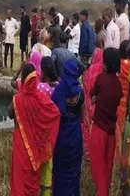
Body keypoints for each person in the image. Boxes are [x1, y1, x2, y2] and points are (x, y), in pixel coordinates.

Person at [8, 64, 60, 196]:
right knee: (32, 181)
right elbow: (55, 113)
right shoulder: (41, 99)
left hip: (20, 144)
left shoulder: (17, 99)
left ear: (24, 79)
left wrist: (19, 94)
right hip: (36, 147)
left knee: (19, 179)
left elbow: (9, 114)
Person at [89, 48, 123, 196]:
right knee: (107, 168)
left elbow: (92, 94)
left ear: (107, 64)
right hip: (111, 132)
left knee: (98, 168)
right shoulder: (118, 83)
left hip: (99, 129)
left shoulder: (101, 78)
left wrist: (96, 98)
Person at [51, 58, 84, 196]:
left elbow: (52, 115)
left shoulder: (58, 91)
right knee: (73, 171)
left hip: (61, 136)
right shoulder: (81, 92)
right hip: (75, 136)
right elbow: (82, 117)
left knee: (60, 170)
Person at [37, 56, 60, 195]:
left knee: (44, 162)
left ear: (43, 72)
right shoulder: (59, 87)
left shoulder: (40, 87)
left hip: (42, 130)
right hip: (56, 130)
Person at [81, 47, 104, 160]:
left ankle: (87, 152)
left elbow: (85, 85)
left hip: (87, 102)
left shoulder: (88, 71)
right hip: (98, 104)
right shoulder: (102, 72)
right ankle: (97, 151)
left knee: (86, 126)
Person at [115, 40, 130, 170]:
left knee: (117, 134)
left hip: (118, 103)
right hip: (128, 105)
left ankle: (117, 160)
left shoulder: (118, 65)